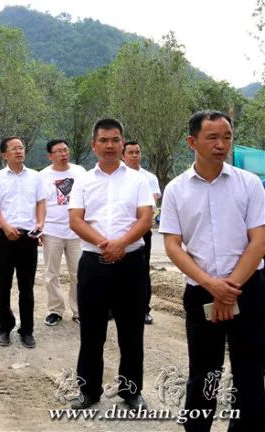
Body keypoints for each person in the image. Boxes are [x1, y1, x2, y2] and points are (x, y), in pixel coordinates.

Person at [159, 110, 265, 431]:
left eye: (227, 137)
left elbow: (259, 241)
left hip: (250, 289)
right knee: (204, 373)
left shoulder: (249, 184)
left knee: (250, 371)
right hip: (200, 292)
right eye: (212, 137)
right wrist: (211, 286)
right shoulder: (177, 189)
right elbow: (173, 246)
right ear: (192, 142)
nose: (221, 144)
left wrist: (228, 287)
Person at [68, 118, 154, 410]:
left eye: (115, 140)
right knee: (91, 332)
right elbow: (76, 220)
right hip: (94, 263)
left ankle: (131, 391)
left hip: (131, 264)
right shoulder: (83, 180)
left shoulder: (137, 179)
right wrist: (106, 244)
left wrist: (121, 244)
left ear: (122, 142)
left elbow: (146, 218)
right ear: (94, 145)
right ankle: (88, 391)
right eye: (103, 140)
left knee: (131, 332)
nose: (110, 145)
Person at [0, 137, 45, 348]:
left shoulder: (35, 177)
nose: (19, 151)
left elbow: (41, 203)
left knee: (26, 287)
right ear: (4, 154)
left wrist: (40, 223)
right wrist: (6, 226)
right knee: (3, 285)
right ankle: (5, 327)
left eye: (21, 148)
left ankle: (27, 330)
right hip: (4, 237)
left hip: (28, 237)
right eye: (14, 148)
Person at [39, 139, 86, 327]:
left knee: (79, 273)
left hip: (77, 231)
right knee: (51, 274)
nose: (63, 153)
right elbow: (39, 203)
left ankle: (79, 310)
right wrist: (40, 227)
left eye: (65, 150)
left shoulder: (80, 172)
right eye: (58, 151)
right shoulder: (42, 176)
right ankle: (55, 310)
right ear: (50, 155)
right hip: (52, 230)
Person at [122, 140, 161, 325]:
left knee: (141, 271)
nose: (135, 155)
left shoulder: (149, 178)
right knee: (116, 270)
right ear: (123, 155)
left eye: (137, 152)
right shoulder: (117, 176)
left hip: (142, 230)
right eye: (131, 152)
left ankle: (143, 309)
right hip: (118, 231)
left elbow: (148, 206)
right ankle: (114, 308)